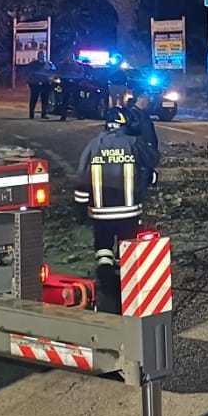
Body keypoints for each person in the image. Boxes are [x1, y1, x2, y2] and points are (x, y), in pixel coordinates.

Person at [72, 110, 158, 313]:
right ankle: (128, 289)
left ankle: (106, 284)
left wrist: (80, 208)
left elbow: (82, 177)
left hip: (101, 214)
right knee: (127, 249)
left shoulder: (93, 145)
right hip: (128, 212)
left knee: (103, 250)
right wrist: (149, 178)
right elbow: (152, 160)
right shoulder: (133, 143)